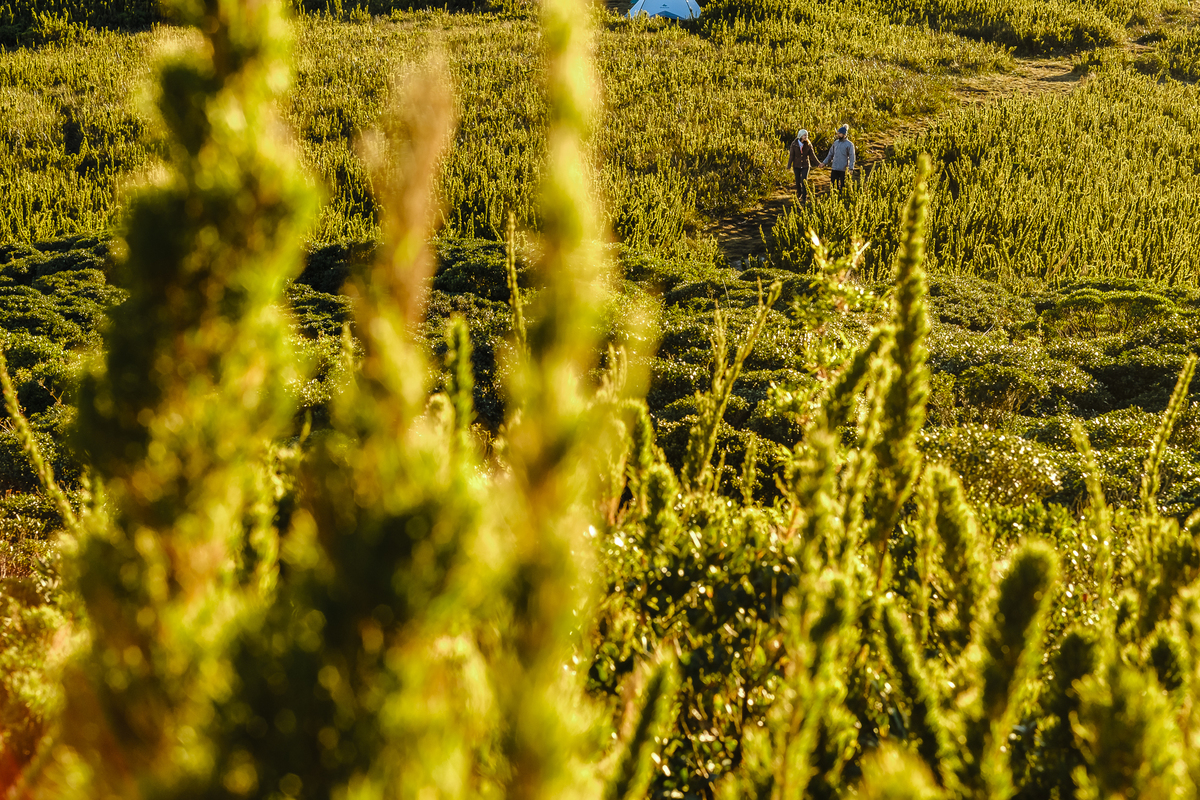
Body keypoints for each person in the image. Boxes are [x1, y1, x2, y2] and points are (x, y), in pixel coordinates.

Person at [786, 129, 819, 203]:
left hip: (805, 165)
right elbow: (791, 155)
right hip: (796, 165)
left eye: (806, 135)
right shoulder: (794, 144)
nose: (806, 137)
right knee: (797, 181)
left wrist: (818, 164)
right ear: (800, 136)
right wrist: (789, 165)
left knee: (804, 180)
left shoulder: (808, 144)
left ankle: (804, 196)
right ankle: (799, 193)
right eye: (804, 135)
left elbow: (812, 155)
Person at [821, 124, 856, 192]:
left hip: (843, 169)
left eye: (840, 133)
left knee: (843, 186)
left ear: (844, 134)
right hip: (835, 168)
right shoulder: (835, 143)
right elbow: (830, 154)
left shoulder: (849, 144)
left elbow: (852, 156)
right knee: (833, 185)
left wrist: (851, 168)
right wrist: (824, 163)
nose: (838, 135)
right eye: (838, 133)